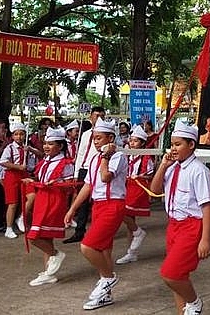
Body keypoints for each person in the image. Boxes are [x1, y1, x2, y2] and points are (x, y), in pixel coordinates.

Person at [150, 119, 210, 315]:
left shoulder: (199, 171)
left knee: (171, 274)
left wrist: (205, 239)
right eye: (172, 144)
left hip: (191, 226)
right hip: (174, 225)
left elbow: (207, 207)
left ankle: (194, 303)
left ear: (191, 144)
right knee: (179, 275)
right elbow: (154, 190)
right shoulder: (172, 168)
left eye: (178, 144)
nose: (173, 148)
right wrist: (163, 165)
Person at [64, 119, 128, 310]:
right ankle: (105, 295)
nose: (95, 141)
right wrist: (73, 209)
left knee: (88, 246)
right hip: (98, 206)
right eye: (94, 138)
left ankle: (108, 278)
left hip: (113, 205)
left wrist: (106, 156)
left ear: (111, 138)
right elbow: (88, 185)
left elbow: (105, 177)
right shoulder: (94, 159)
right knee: (103, 249)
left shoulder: (117, 156)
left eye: (99, 138)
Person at [27, 126, 74, 287]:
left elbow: (70, 186)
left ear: (60, 146)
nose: (46, 146)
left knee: (33, 236)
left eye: (51, 144)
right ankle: (48, 273)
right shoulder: (45, 161)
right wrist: (32, 181)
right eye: (45, 143)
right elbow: (40, 179)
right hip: (42, 199)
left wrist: (56, 184)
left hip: (54, 201)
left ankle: (56, 254)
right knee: (46, 237)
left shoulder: (65, 163)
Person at [64, 106, 106, 244]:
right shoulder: (86, 134)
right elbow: (80, 153)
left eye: (102, 116)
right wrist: (77, 172)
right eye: (96, 115)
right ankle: (79, 231)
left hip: (99, 169)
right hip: (85, 169)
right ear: (90, 117)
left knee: (98, 201)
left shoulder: (108, 135)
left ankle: (98, 231)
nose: (99, 118)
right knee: (82, 201)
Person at [116, 125, 153, 265]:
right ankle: (131, 251)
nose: (132, 143)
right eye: (131, 140)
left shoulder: (146, 158)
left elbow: (150, 175)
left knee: (123, 212)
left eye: (136, 141)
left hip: (137, 188)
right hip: (126, 187)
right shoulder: (126, 155)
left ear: (142, 143)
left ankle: (137, 235)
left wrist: (139, 176)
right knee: (129, 222)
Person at [0, 123, 29, 239]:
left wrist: (30, 150)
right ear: (12, 136)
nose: (19, 137)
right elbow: (3, 162)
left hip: (24, 175)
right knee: (13, 203)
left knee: (31, 196)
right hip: (11, 175)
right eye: (16, 134)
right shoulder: (9, 148)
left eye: (21, 134)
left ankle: (21, 217)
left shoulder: (26, 148)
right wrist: (18, 167)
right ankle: (9, 228)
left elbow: (39, 155)